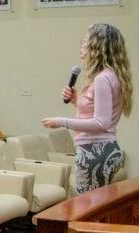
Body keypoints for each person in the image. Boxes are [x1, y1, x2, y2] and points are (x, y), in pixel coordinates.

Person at [42, 23, 132, 194]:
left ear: (97, 46)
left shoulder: (102, 78)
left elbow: (101, 123)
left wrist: (62, 122)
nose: (82, 44)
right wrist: (76, 100)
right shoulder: (112, 75)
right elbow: (99, 112)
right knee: (95, 206)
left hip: (95, 150)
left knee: (87, 209)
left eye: (85, 40)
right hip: (105, 148)